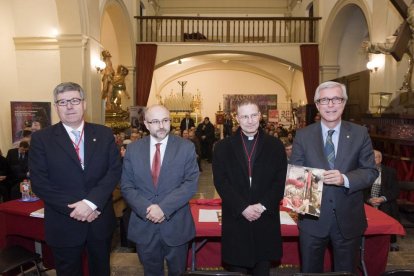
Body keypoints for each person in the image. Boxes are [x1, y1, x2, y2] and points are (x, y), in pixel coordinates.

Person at [29, 82, 122, 276]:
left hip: (99, 221)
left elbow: (114, 171)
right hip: (64, 223)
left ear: (84, 104)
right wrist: (77, 208)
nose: (69, 106)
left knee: (101, 271)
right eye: (62, 102)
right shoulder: (41, 139)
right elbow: (39, 182)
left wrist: (91, 203)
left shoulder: (104, 134)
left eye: (74, 100)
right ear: (56, 107)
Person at [290, 81, 378, 273]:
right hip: (312, 221)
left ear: (344, 103)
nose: (330, 105)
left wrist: (344, 179)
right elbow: (295, 174)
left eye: (336, 99)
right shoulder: (303, 135)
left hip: (348, 221)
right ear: (317, 104)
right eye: (324, 100)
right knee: (310, 271)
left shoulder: (359, 133)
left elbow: (371, 171)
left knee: (346, 271)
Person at [120, 104, 199, 276]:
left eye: (165, 120)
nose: (161, 126)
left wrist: (163, 208)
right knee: (151, 272)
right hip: (144, 224)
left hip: (176, 225)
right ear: (146, 125)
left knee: (177, 272)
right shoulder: (133, 149)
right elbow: (126, 185)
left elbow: (190, 183)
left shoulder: (185, 147)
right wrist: (146, 209)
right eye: (155, 121)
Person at [212, 100, 287, 275]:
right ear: (237, 118)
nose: (250, 120)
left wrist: (262, 206)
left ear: (260, 116)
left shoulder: (275, 146)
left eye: (254, 115)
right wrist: (242, 207)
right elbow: (221, 182)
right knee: (237, 268)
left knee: (263, 268)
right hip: (237, 217)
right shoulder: (223, 147)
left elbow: (280, 180)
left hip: (265, 217)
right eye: (245, 116)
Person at [364, 150, 400, 251]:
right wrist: (369, 199)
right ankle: (366, 241)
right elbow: (360, 190)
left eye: (375, 157)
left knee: (388, 209)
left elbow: (395, 190)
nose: (373, 159)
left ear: (380, 159)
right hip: (368, 201)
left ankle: (392, 241)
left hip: (384, 201)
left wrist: (381, 199)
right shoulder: (363, 171)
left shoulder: (390, 172)